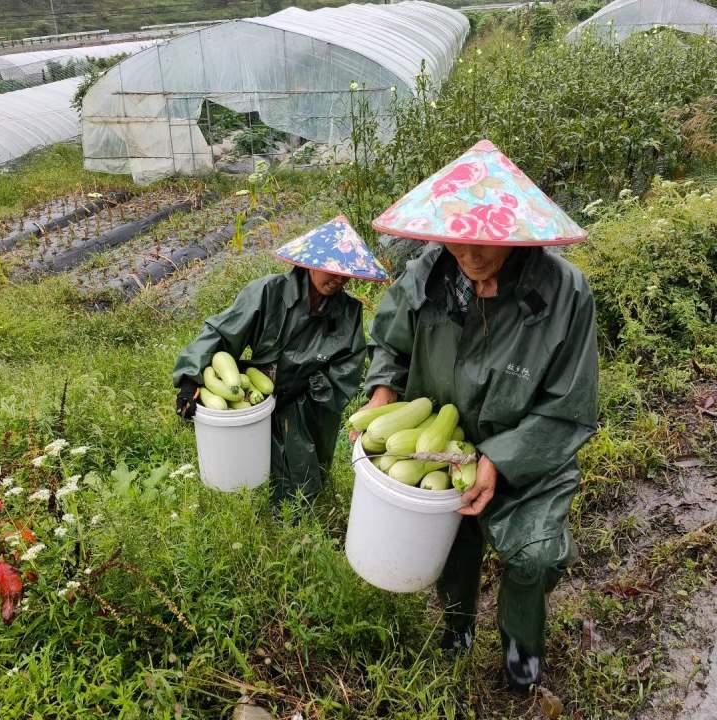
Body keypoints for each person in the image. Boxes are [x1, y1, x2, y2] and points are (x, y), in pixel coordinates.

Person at [361, 140, 599, 692]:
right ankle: (456, 631)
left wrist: (500, 459)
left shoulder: (564, 295)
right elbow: (390, 346)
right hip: (444, 448)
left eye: (485, 242)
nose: (468, 255)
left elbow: (569, 409)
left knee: (533, 558)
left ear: (515, 233)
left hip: (529, 453)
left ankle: (521, 657)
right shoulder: (427, 272)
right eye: (456, 238)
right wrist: (381, 395)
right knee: (451, 545)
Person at [174, 215, 388, 503]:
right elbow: (222, 332)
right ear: (311, 263)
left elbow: (347, 367)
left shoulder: (348, 311)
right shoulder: (268, 293)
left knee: (304, 473)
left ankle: (300, 517)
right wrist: (190, 378)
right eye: (331, 270)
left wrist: (309, 393)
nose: (338, 279)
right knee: (249, 472)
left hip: (310, 403)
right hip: (259, 395)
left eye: (345, 273)